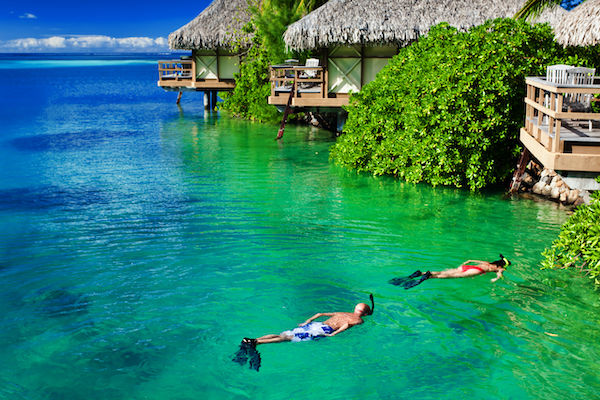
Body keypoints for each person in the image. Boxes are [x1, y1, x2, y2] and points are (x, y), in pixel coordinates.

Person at [233, 295, 374, 371]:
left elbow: (320, 313)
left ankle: (254, 339)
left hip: (317, 324)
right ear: (366, 314)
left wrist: (307, 322)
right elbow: (347, 325)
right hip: (323, 330)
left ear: (354, 308)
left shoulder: (343, 312)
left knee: (282, 334)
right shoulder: (359, 320)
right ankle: (255, 342)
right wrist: (333, 335)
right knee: (286, 338)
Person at [390, 254, 511, 289]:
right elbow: (499, 274)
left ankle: (421, 273)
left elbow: (472, 259)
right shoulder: (499, 268)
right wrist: (496, 278)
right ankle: (428, 277)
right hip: (475, 270)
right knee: (451, 276)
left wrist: (467, 261)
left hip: (467, 266)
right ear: (501, 265)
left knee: (449, 271)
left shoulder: (487, 263)